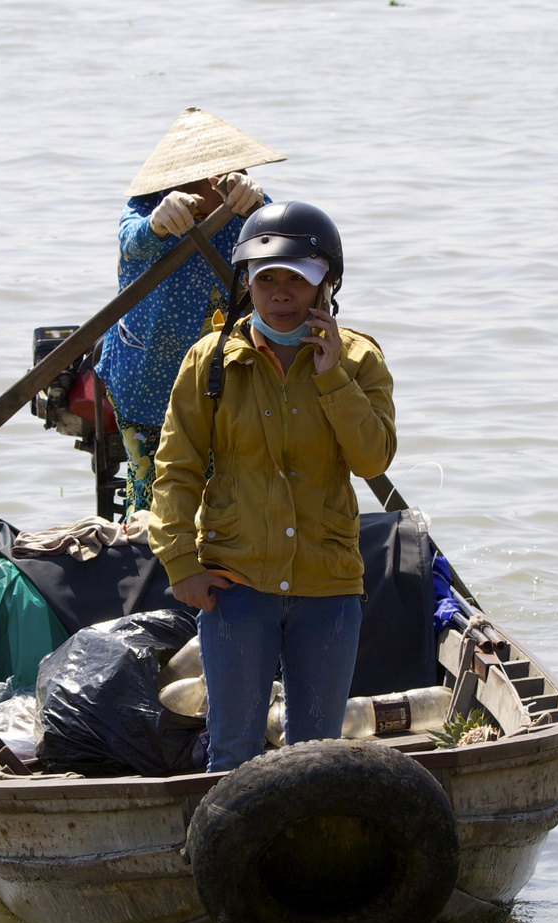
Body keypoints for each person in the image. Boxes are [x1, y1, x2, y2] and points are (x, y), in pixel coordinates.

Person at [148, 202, 396, 772]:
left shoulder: (359, 359)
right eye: (265, 280)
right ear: (248, 285)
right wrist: (181, 563)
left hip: (328, 587)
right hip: (237, 587)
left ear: (325, 284)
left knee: (316, 757)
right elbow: (177, 469)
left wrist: (331, 376)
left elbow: (373, 458)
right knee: (231, 755)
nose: (279, 294)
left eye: (296, 279)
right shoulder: (210, 361)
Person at [97, 108, 283, 516]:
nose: (209, 187)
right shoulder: (145, 209)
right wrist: (158, 224)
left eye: (219, 175)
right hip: (149, 378)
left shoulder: (248, 209)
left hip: (225, 378)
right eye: (197, 178)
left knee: (227, 491)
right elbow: (132, 242)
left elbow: (284, 240)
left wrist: (256, 201)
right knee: (157, 496)